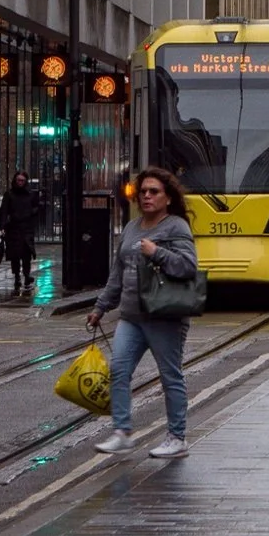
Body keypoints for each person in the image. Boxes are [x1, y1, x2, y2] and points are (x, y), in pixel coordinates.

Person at [87, 168, 204, 458]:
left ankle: (177, 438)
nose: (147, 196)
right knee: (119, 371)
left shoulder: (176, 227)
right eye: (143, 192)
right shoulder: (131, 227)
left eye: (154, 192)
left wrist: (157, 253)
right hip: (131, 316)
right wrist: (101, 306)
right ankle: (123, 432)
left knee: (170, 376)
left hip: (164, 316)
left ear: (167, 197)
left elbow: (188, 267)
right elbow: (118, 273)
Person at [0, 170, 43, 294]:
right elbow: (4, 211)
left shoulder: (30, 194)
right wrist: (3, 226)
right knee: (15, 255)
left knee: (26, 254)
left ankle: (26, 275)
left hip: (26, 227)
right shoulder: (9, 194)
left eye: (22, 180)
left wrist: (31, 213)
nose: (20, 182)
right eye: (18, 180)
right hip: (13, 228)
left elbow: (37, 207)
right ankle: (17, 277)